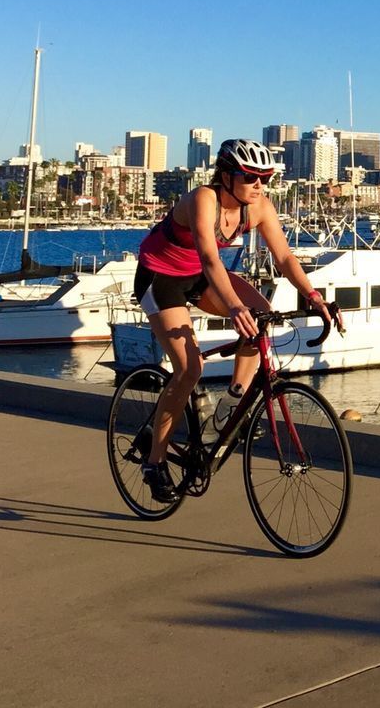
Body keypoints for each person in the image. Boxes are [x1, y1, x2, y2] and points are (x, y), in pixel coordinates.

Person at [134, 138, 336, 502]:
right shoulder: (203, 200)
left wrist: (314, 296)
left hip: (199, 278)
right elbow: (212, 260)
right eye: (251, 177)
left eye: (265, 178)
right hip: (161, 278)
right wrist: (234, 307)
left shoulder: (257, 206)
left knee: (261, 323)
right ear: (226, 176)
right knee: (189, 370)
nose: (259, 185)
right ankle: (155, 461)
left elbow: (285, 258)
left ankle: (229, 409)